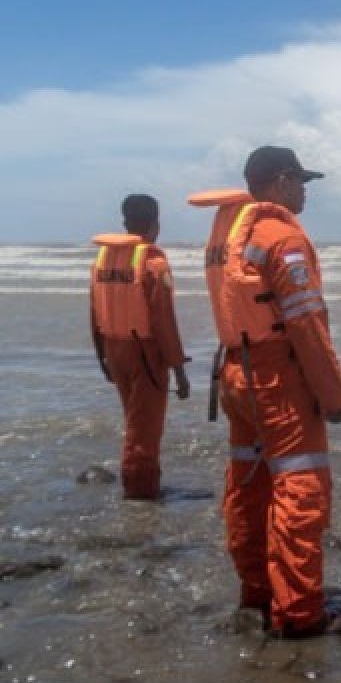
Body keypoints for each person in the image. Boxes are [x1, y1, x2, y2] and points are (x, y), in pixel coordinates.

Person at [188, 146, 341, 637]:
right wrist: (334, 397)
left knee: (249, 483)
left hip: (235, 375)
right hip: (277, 377)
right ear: (281, 182)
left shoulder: (229, 234)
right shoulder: (281, 237)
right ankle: (301, 613)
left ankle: (257, 595)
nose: (305, 191)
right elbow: (306, 325)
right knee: (300, 488)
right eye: (301, 181)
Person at [90, 194, 190, 499]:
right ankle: (140, 495)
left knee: (135, 423)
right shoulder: (153, 263)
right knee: (144, 432)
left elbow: (94, 313)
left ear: (124, 222)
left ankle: (141, 486)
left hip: (113, 349)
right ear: (156, 224)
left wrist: (102, 359)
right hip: (144, 354)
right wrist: (179, 370)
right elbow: (163, 321)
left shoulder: (103, 259)